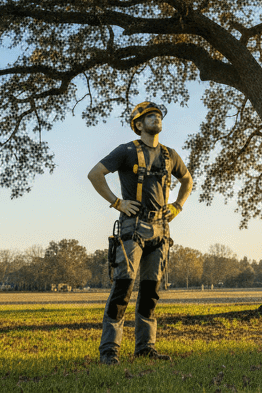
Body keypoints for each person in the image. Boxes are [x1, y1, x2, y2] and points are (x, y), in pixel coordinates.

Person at [87, 100, 193, 365]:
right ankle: (109, 350)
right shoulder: (126, 151)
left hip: (161, 229)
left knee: (150, 291)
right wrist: (117, 202)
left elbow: (187, 180)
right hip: (132, 227)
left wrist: (178, 206)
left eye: (159, 115)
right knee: (123, 288)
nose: (156, 118)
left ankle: (145, 347)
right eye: (150, 116)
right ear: (138, 124)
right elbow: (95, 174)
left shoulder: (170, 155)